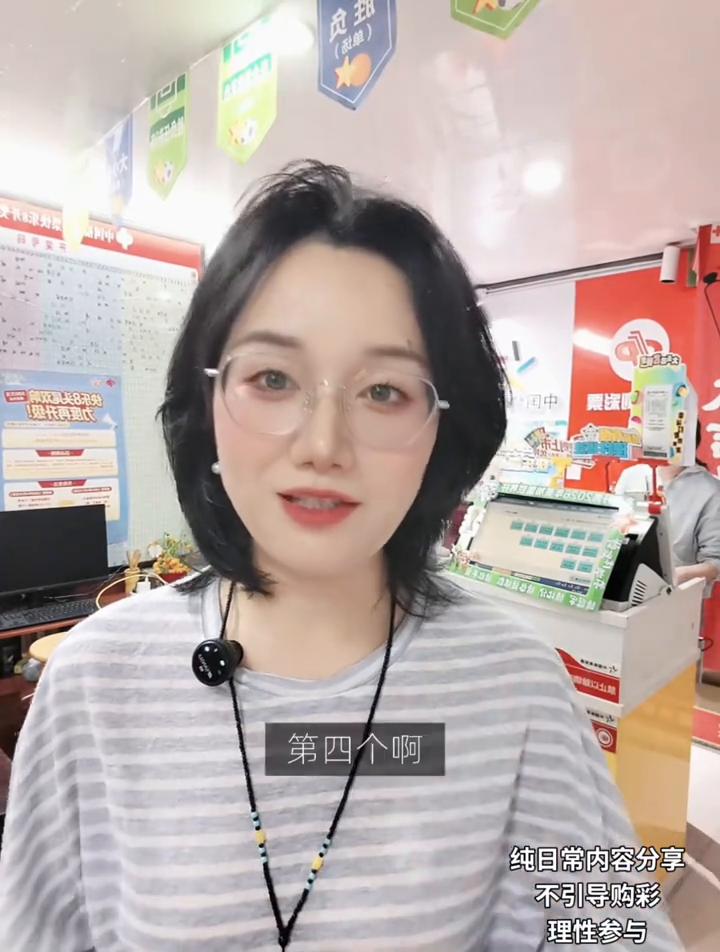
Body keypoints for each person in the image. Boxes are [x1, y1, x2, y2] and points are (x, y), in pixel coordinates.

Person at [0, 162, 682, 950]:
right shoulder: (94, 685)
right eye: (272, 378)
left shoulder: (516, 686)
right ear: (207, 403)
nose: (323, 445)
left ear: (441, 430)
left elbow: (617, 926)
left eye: (384, 391)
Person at [614, 420, 720, 593]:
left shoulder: (711, 490)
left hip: (679, 596)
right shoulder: (631, 475)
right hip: (622, 587)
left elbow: (714, 564)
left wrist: (668, 577)